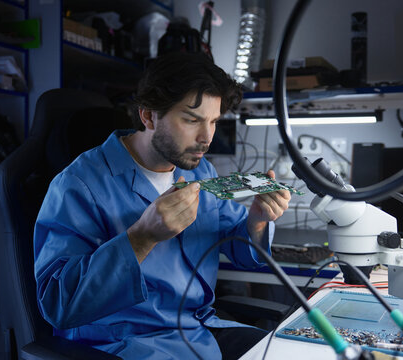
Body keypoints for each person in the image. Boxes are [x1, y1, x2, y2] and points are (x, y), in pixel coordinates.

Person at [34, 52, 291, 360]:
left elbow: (240, 247)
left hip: (198, 332)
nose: (207, 137)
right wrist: (141, 237)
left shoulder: (199, 171)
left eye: (213, 121)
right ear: (148, 116)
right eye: (191, 120)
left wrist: (257, 221)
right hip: (123, 345)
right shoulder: (78, 185)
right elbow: (58, 305)